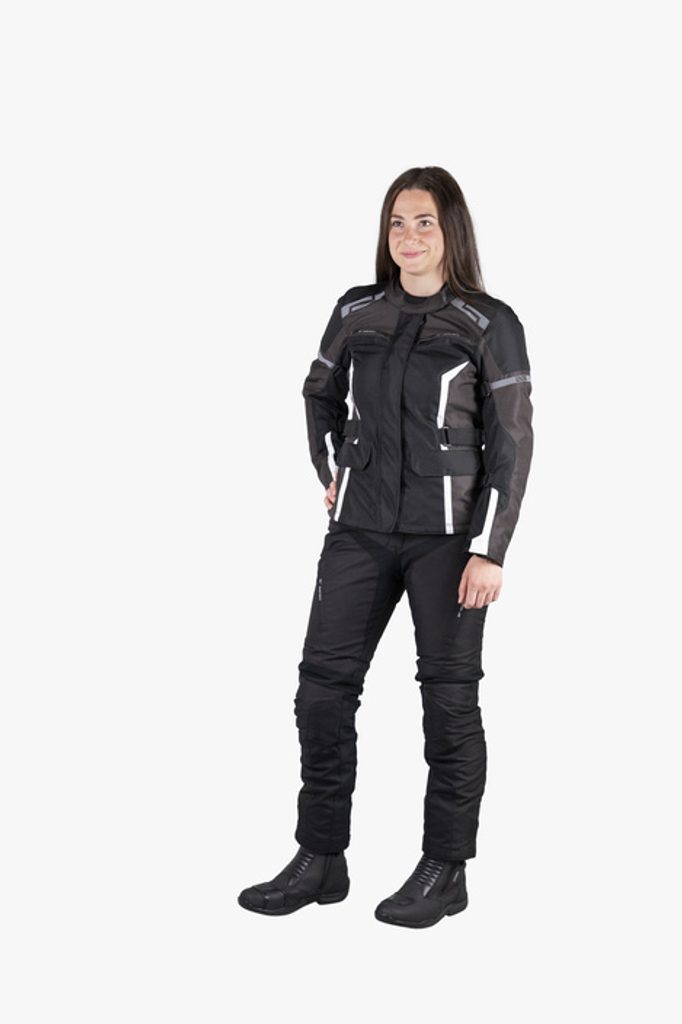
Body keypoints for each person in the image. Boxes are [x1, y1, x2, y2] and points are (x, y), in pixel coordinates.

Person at [238, 166, 534, 928]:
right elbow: (318, 392)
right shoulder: (357, 309)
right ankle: (320, 858)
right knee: (321, 691)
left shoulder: (488, 322)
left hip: (449, 543)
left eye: (424, 221)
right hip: (359, 531)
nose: (408, 236)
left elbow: (513, 442)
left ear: (451, 230)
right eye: (397, 222)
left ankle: (445, 869)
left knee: (448, 702)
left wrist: (490, 549)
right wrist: (331, 469)